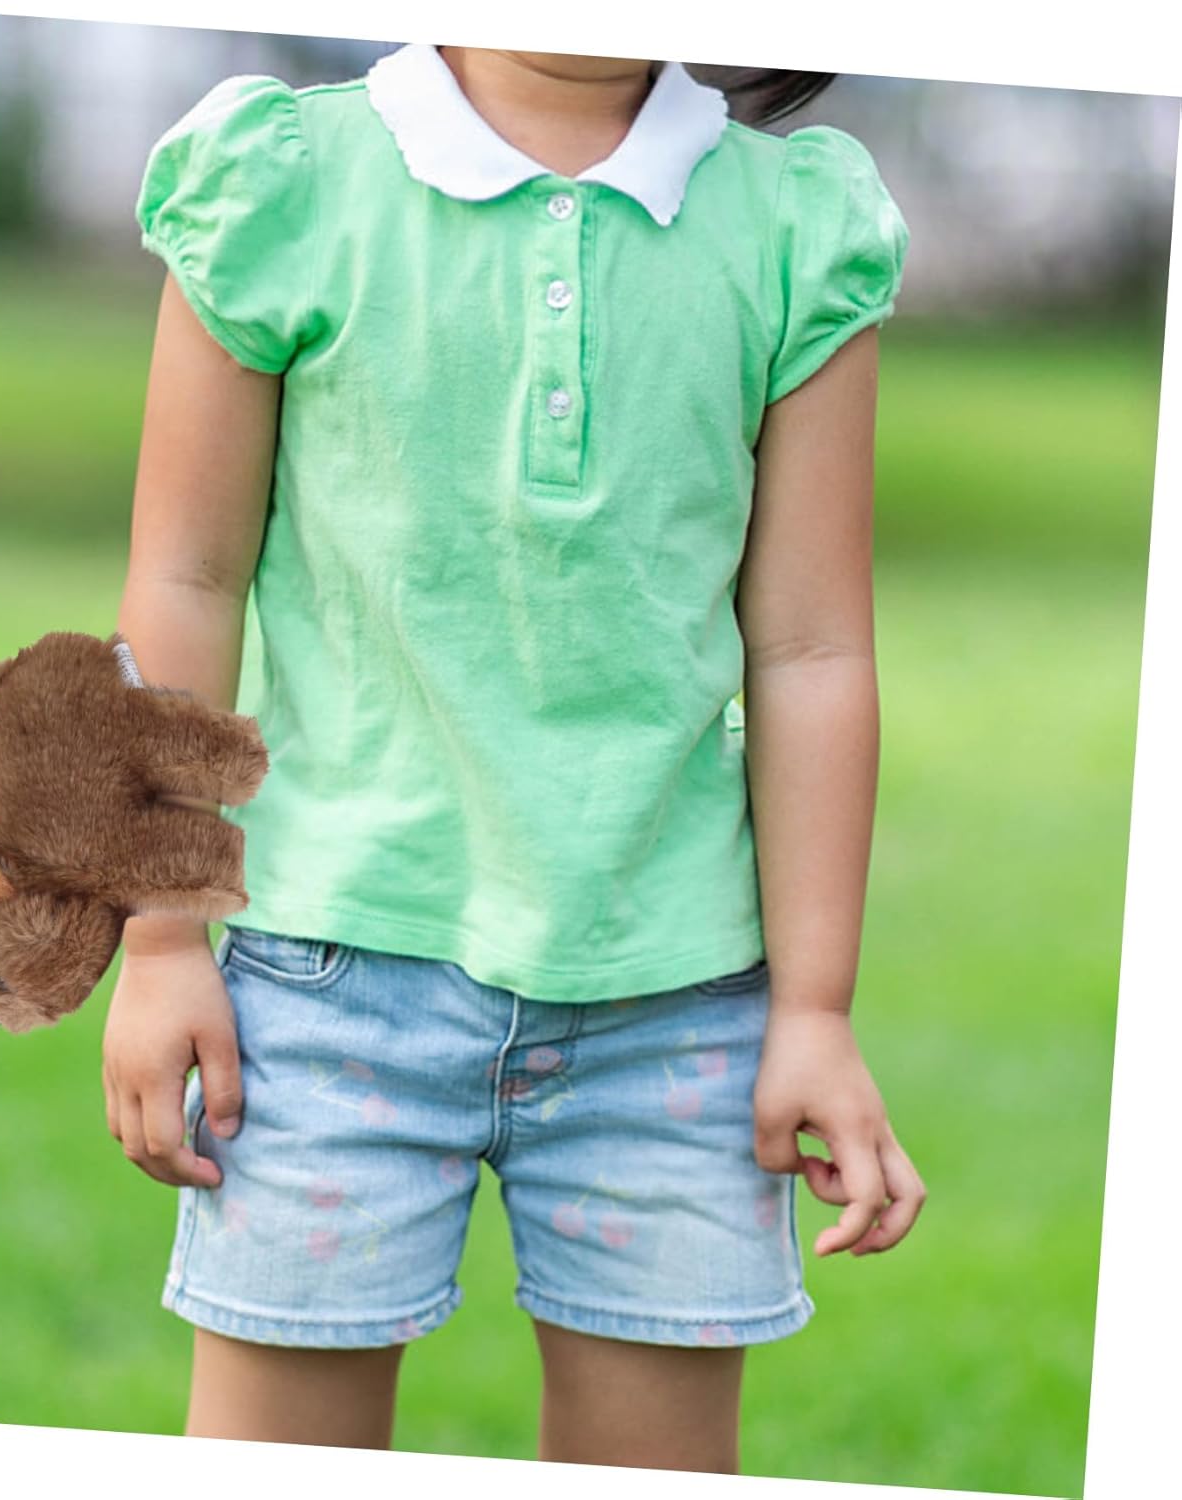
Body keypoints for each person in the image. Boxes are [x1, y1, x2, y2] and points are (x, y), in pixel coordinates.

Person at [103, 42, 927, 1473]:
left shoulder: (795, 228)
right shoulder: (285, 187)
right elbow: (184, 579)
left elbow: (810, 651)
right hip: (324, 988)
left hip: (675, 1013)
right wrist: (162, 938)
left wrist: (815, 1009)